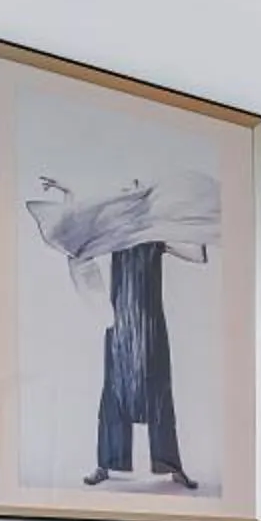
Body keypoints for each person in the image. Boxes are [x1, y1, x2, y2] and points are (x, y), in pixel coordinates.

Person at [24, 172, 221, 488]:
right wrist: (68, 195)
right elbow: (80, 232)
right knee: (114, 393)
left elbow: (199, 255)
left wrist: (189, 223)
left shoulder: (159, 239)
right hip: (120, 328)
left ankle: (172, 466)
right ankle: (106, 464)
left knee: (158, 392)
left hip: (152, 327)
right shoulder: (114, 236)